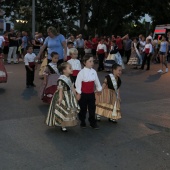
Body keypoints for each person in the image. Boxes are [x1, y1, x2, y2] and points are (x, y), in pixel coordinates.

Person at [46, 62, 80, 132]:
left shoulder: (70, 77)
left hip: (70, 95)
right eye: (70, 68)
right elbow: (60, 89)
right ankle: (63, 125)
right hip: (64, 96)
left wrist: (75, 94)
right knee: (63, 109)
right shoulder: (61, 79)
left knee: (70, 109)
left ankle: (67, 123)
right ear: (64, 70)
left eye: (71, 68)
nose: (72, 69)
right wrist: (60, 98)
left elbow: (72, 87)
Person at [75, 54, 102, 129]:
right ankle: (82, 121)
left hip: (91, 94)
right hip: (83, 94)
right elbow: (78, 83)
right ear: (84, 62)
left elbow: (97, 81)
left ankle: (92, 122)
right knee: (82, 108)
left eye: (92, 61)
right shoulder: (81, 72)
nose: (92, 63)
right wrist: (79, 93)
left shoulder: (94, 71)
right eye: (90, 61)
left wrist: (99, 89)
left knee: (92, 108)